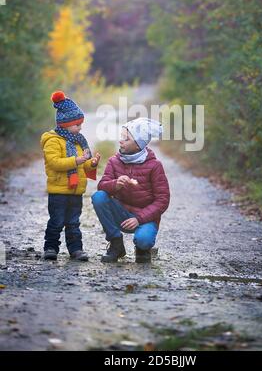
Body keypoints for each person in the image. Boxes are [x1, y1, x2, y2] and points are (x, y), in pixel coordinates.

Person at [91, 117, 170, 263]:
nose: (121, 141)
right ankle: (116, 244)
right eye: (121, 137)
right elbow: (102, 186)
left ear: (139, 144)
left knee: (144, 240)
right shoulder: (114, 161)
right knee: (99, 196)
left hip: (145, 218)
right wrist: (115, 184)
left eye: (126, 139)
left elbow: (162, 200)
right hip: (122, 213)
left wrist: (139, 219)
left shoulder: (154, 166)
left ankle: (142, 248)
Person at [41, 91, 100, 261]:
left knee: (73, 222)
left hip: (75, 190)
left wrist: (92, 163)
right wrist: (76, 160)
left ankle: (76, 249)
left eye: (80, 124)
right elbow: (54, 163)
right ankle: (51, 248)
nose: (80, 128)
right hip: (59, 190)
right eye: (77, 125)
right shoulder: (53, 141)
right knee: (57, 221)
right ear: (65, 124)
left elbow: (82, 165)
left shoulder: (79, 141)